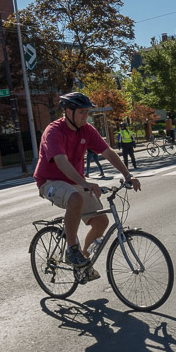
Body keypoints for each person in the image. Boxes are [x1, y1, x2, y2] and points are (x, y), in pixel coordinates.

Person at [34, 92, 141, 281]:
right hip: (49, 182)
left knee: (101, 221)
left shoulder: (87, 130)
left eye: (87, 112)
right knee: (75, 198)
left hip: (75, 181)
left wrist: (127, 175)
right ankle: (71, 249)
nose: (86, 116)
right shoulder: (54, 131)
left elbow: (107, 152)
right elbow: (60, 161)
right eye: (82, 112)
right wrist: (84, 183)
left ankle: (82, 259)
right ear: (68, 111)